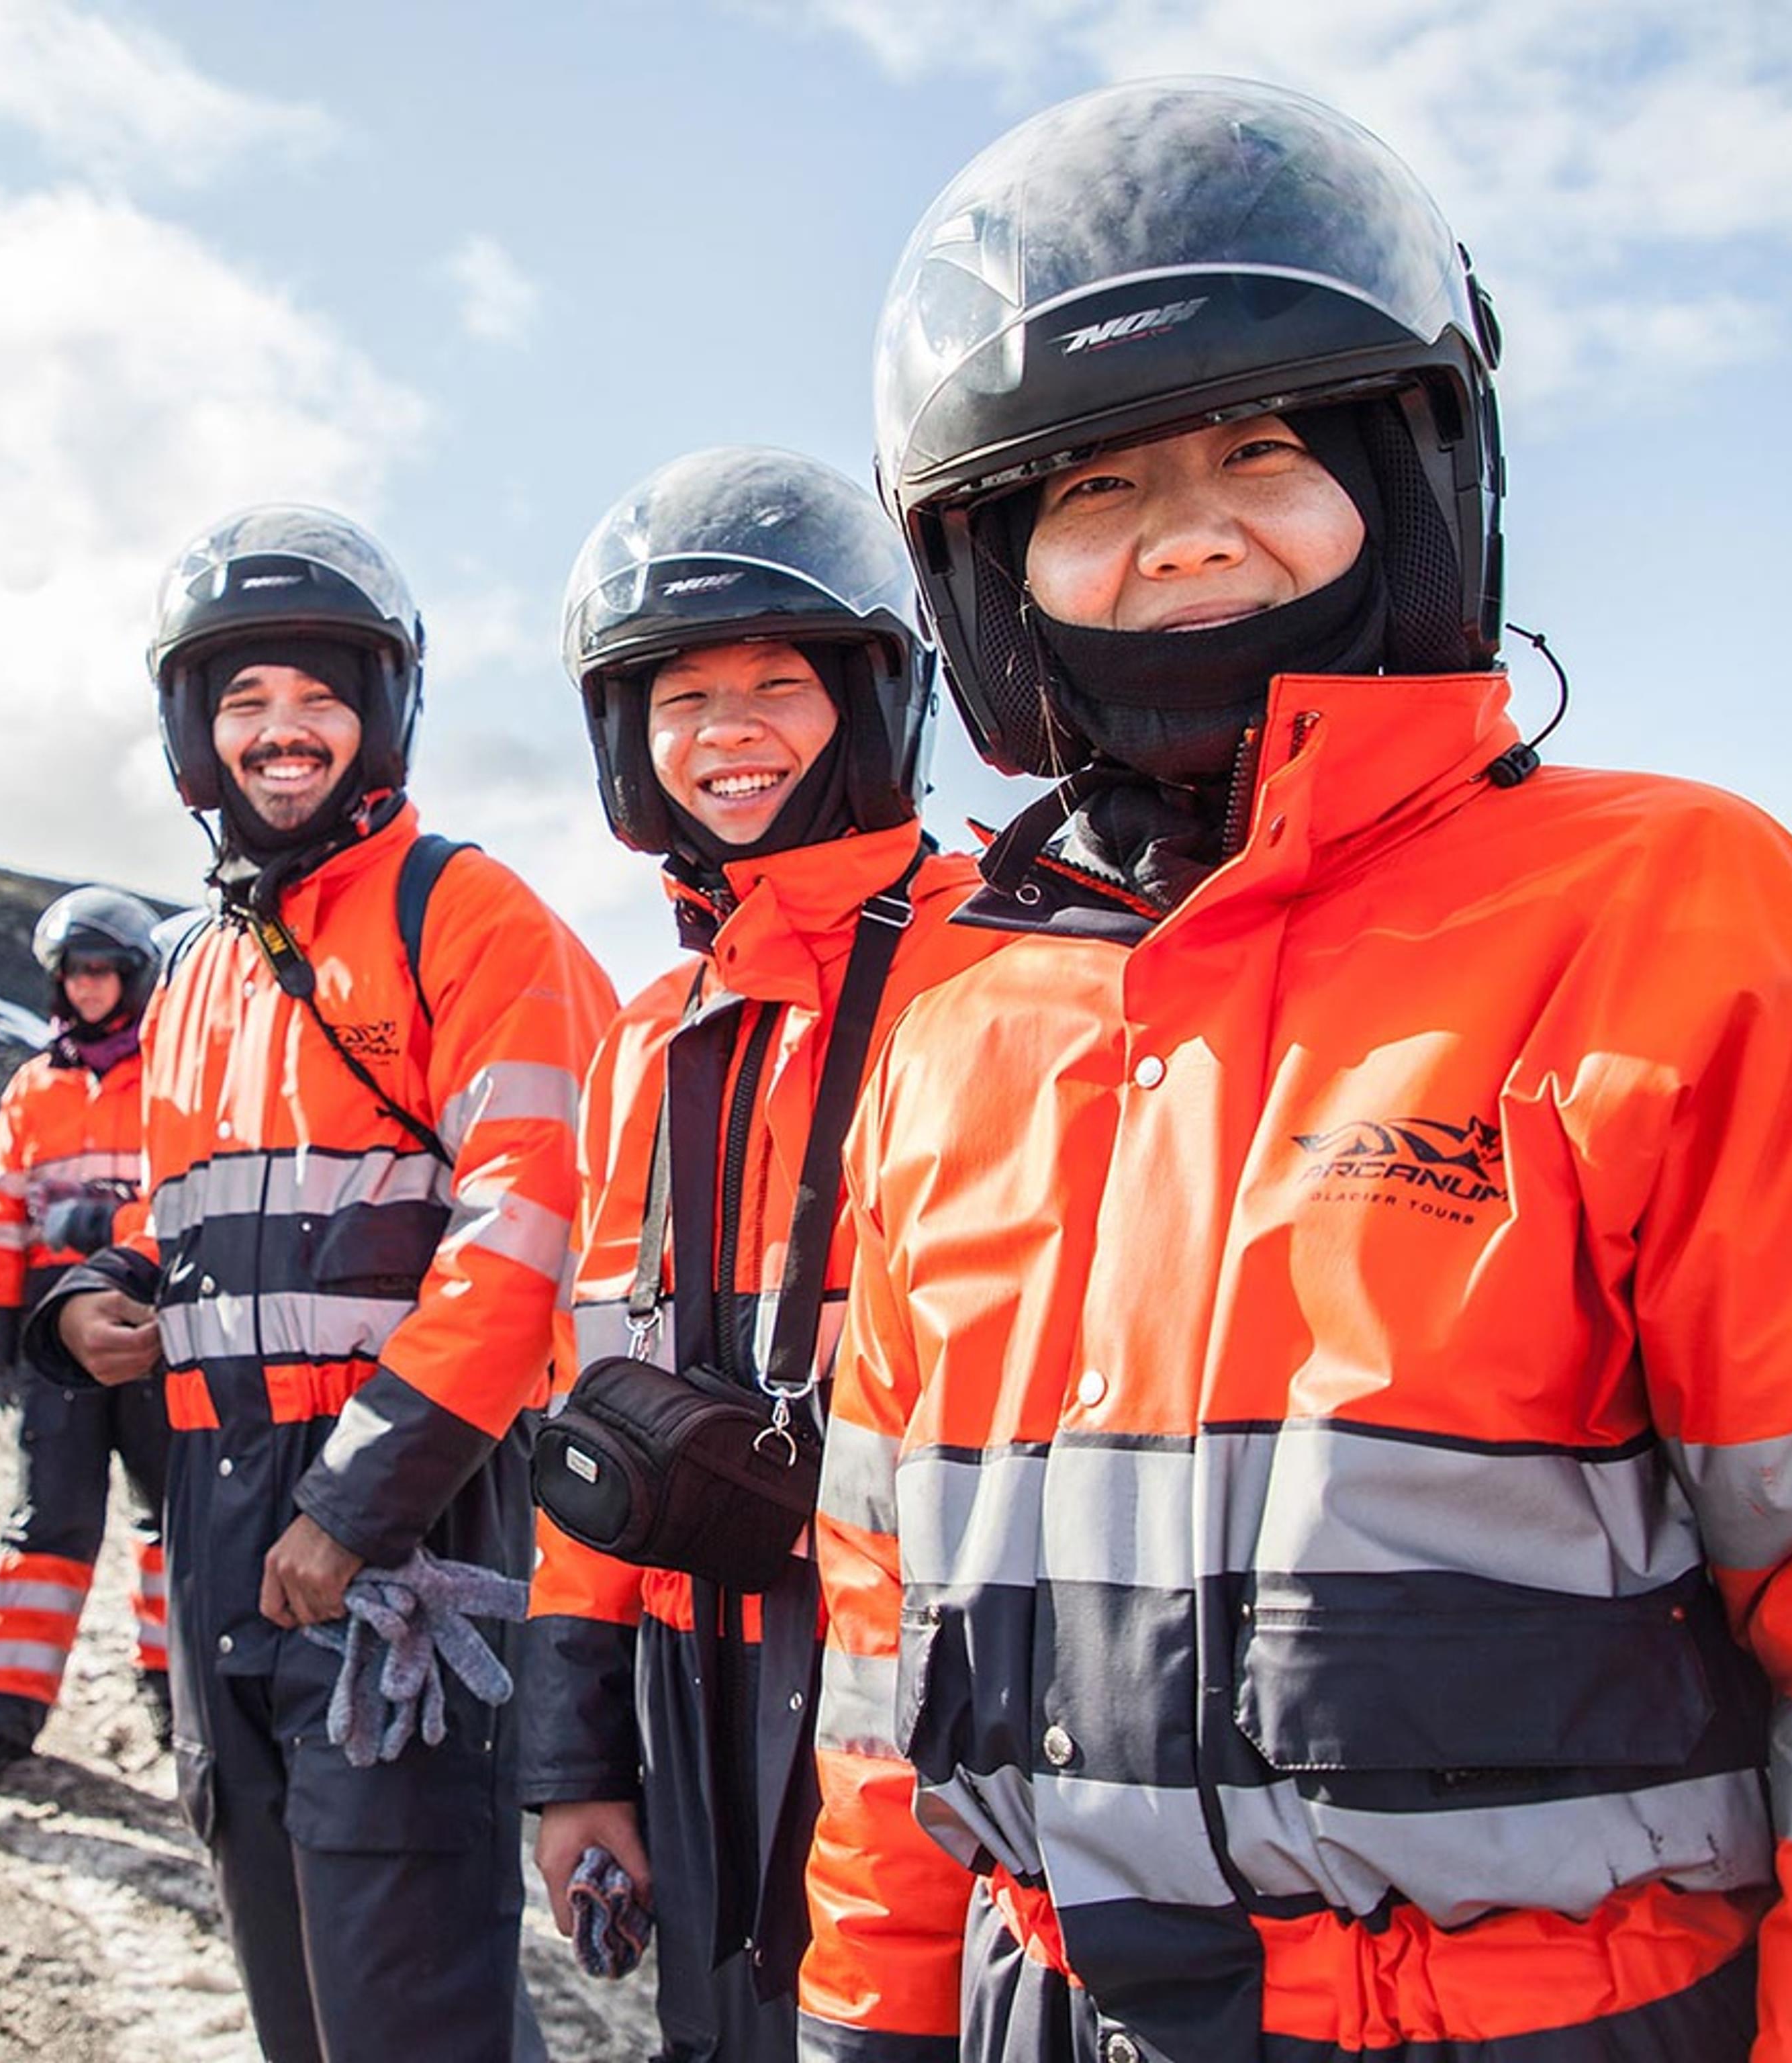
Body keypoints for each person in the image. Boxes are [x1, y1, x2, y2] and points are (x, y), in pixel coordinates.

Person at [800, 76, 1792, 2062]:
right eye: (1092, 489)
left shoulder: (1680, 915)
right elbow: (876, 1631)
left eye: (1262, 447)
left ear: (1415, 469)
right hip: (1042, 2011)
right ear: (994, 568)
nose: (1186, 535)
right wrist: (875, 2008)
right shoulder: (961, 1026)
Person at [33, 505, 616, 2063]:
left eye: (316, 698)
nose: (281, 733)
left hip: (404, 1528)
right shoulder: (203, 962)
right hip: (222, 1522)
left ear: (381, 714)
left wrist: (362, 1502)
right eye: (242, 703)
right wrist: (92, 1293)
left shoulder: (473, 916)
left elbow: (529, 1229)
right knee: (294, 1984)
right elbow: (190, 1218)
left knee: (408, 1992)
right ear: (192, 733)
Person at [522, 447, 996, 2061]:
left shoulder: (1010, 963)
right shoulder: (648, 1042)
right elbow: (599, 1409)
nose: (723, 733)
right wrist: (574, 1758)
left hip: (945, 1699)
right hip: (684, 1686)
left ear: (875, 701)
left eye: (775, 683)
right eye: (679, 697)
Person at [0, 884, 173, 1778]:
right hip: (55, 1333)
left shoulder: (170, 1071)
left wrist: (106, 1233)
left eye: (103, 972)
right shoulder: (32, 1086)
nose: (88, 989)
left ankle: (175, 1685)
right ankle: (6, 1712)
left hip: (154, 1321)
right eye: (75, 974)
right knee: (49, 1523)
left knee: (173, 1523)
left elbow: (190, 1196)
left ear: (133, 977)